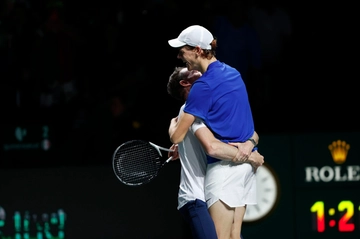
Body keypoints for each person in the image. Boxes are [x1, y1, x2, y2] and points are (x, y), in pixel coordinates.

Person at [168, 25, 260, 239]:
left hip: (225, 169)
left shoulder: (202, 88)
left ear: (198, 50)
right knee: (235, 236)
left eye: (183, 50)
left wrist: (173, 124)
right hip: (245, 172)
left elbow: (179, 136)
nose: (181, 56)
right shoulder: (234, 74)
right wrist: (250, 148)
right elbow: (251, 131)